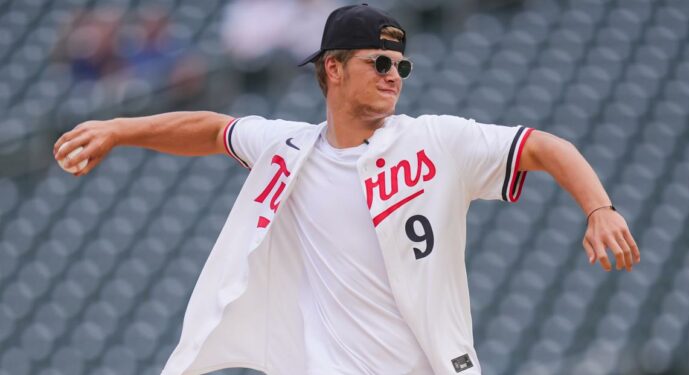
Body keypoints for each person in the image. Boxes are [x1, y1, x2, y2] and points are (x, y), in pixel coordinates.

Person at [53, 4, 640, 375]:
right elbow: (210, 129)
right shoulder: (289, 149)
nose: (393, 75)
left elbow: (544, 146)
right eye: (378, 62)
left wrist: (599, 207)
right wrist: (118, 128)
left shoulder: (436, 140)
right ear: (333, 69)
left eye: (400, 66)